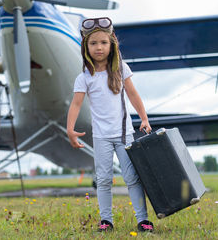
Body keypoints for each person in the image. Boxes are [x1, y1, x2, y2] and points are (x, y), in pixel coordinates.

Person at [66, 17, 154, 233]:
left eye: (103, 43)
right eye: (93, 43)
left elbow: (133, 94)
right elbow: (76, 104)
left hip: (124, 134)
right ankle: (106, 220)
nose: (99, 47)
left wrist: (144, 117)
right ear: (86, 47)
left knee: (132, 178)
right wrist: (70, 129)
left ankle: (142, 220)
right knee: (104, 179)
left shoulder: (122, 69)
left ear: (112, 43)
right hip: (101, 137)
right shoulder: (84, 77)